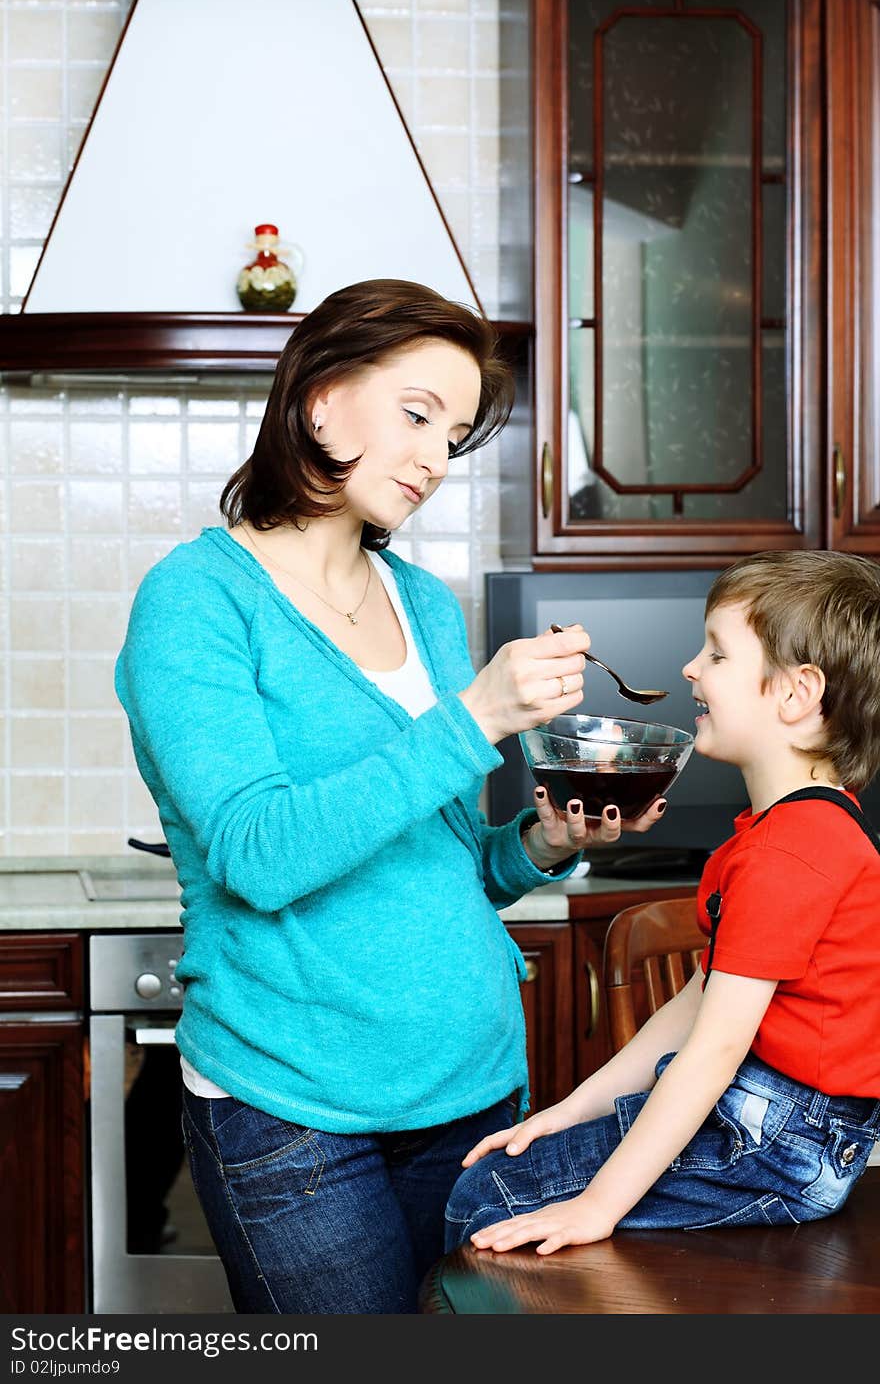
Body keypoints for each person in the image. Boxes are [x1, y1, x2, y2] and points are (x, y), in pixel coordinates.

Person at [114, 277, 666, 1314]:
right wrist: (473, 718)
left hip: (475, 1092)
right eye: (416, 414)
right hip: (295, 1113)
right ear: (320, 399)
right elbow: (256, 851)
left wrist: (540, 845)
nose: (433, 458)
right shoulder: (197, 598)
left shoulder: (421, 601)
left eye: (453, 435)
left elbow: (446, 867)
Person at [445, 548, 880, 1256]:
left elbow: (712, 1052)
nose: (690, 669)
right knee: (519, 1167)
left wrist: (596, 1208)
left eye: (717, 654)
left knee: (489, 1192)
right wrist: (568, 1112)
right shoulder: (797, 830)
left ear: (797, 694)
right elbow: (698, 1004)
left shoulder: (788, 853)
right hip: (781, 1126)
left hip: (781, 1141)